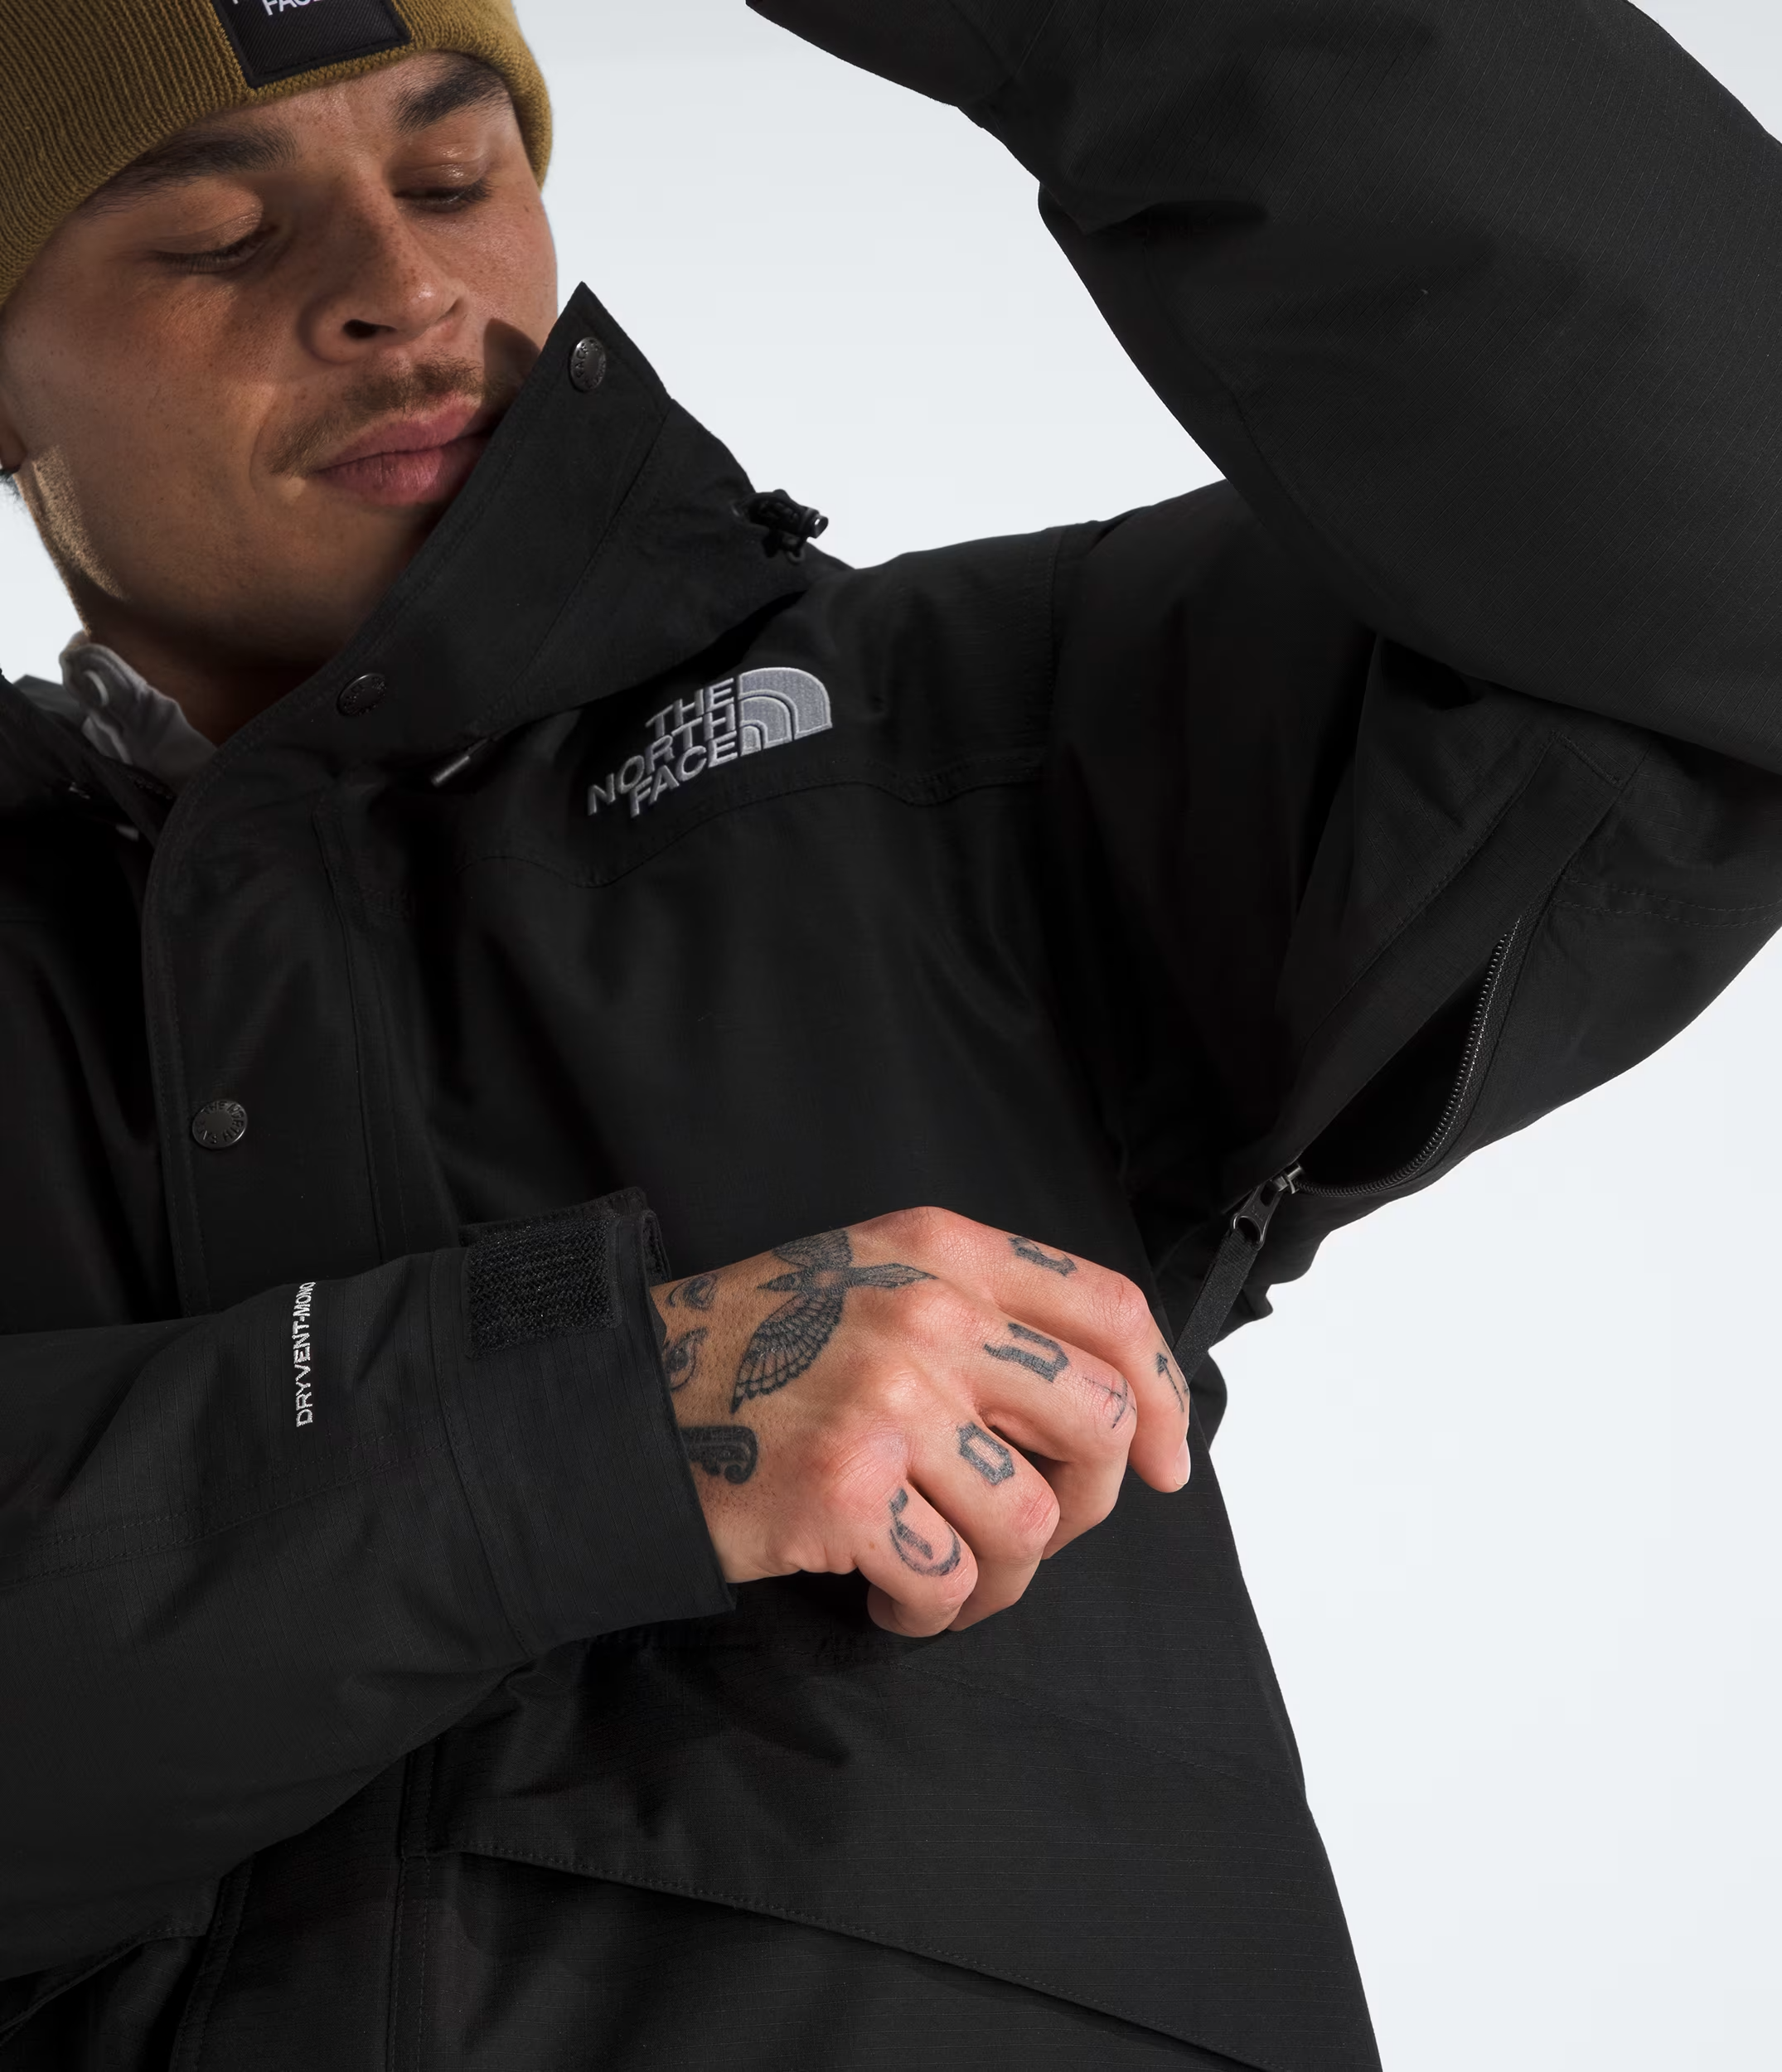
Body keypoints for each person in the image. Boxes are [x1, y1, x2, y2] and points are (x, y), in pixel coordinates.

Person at [1, 0, 1777, 2065]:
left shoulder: (961, 752)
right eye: (217, 236)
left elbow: (1715, 511)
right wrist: (582, 1416)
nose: (399, 288)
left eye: (454, 175)